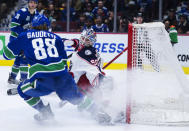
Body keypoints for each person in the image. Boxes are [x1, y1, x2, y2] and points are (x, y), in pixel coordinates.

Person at [3, 14, 111, 124]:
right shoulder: (56, 37)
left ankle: (45, 112)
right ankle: (99, 112)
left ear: (33, 25)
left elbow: (6, 55)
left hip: (43, 80)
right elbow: (64, 63)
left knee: (22, 90)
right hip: (63, 77)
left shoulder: (25, 35)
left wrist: (18, 45)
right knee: (77, 99)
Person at [8, 0, 39, 85]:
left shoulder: (37, 14)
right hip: (17, 39)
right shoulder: (21, 12)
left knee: (19, 59)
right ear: (28, 3)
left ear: (36, 4)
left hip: (27, 39)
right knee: (24, 57)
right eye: (31, 2)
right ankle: (24, 80)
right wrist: (24, 32)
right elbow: (13, 26)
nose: (32, 4)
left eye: (34, 3)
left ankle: (12, 77)